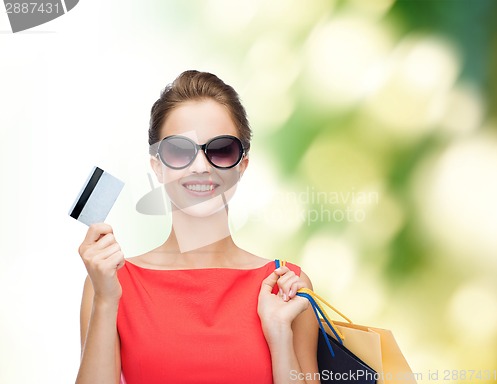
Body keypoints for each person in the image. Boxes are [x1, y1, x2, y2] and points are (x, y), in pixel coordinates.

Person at [75, 70, 320, 384]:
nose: (202, 167)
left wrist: (280, 337)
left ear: (242, 165)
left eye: (221, 149)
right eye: (179, 151)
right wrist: (106, 300)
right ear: (157, 167)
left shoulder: (288, 285)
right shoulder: (110, 284)